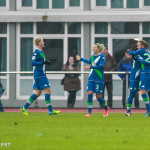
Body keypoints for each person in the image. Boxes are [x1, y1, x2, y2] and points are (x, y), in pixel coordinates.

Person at [20, 37, 60, 116]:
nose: (43, 42)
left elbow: (41, 62)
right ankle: (50, 111)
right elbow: (33, 63)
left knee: (37, 93)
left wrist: (48, 61)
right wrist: (43, 62)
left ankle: (24, 107)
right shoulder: (36, 52)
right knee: (48, 91)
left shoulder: (41, 51)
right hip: (40, 75)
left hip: (40, 74)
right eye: (42, 41)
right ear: (39, 43)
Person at [76, 43, 109, 117]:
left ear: (98, 49)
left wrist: (90, 67)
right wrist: (81, 59)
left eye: (94, 47)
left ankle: (106, 108)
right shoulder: (93, 56)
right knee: (90, 93)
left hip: (99, 79)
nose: (93, 49)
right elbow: (89, 61)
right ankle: (89, 113)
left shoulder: (102, 57)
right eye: (93, 47)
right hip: (91, 78)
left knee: (99, 97)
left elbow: (101, 66)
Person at [129, 40, 150, 117]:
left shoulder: (141, 51)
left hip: (145, 74)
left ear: (142, 46)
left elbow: (130, 53)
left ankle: (148, 110)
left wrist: (140, 59)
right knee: (144, 91)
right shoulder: (148, 53)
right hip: (148, 74)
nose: (137, 47)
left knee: (142, 91)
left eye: (138, 45)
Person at [126, 44, 140, 116]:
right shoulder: (136, 56)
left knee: (145, 93)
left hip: (141, 76)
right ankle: (128, 111)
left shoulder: (138, 55)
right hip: (134, 76)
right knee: (132, 93)